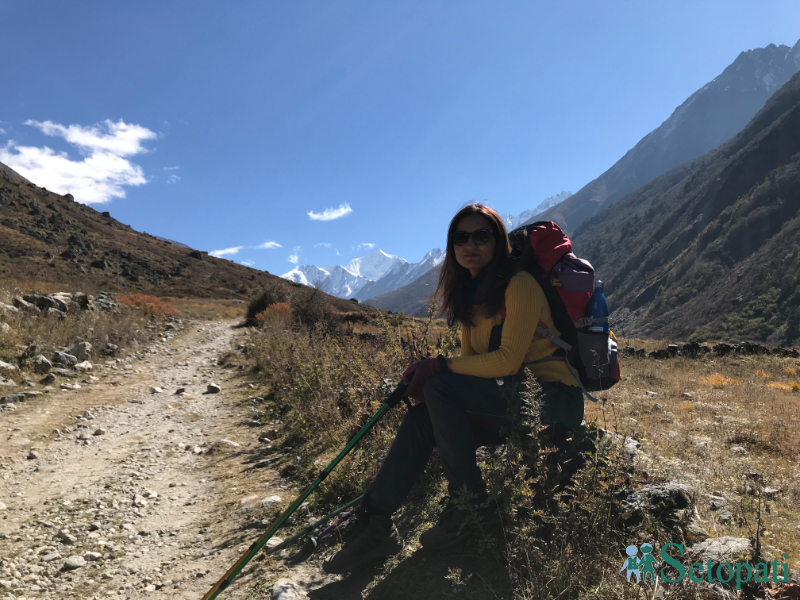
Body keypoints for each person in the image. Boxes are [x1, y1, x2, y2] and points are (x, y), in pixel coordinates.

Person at [322, 203, 585, 574]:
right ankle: (377, 520)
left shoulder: (520, 285)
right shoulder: (472, 296)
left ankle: (469, 507)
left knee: (442, 387)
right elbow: (474, 366)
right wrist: (432, 383)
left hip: (554, 401)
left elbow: (507, 361)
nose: (470, 244)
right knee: (422, 417)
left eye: (482, 235)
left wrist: (439, 369)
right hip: (512, 399)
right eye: (461, 237)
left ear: (499, 242)